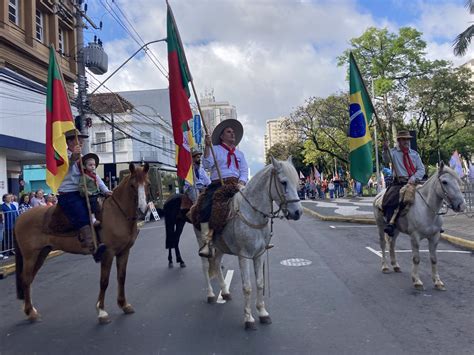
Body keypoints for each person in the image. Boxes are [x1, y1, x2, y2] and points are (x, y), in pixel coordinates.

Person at [199, 119, 248, 257]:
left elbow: (244, 171)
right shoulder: (215, 150)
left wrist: (242, 183)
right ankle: (207, 243)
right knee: (205, 207)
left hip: (236, 184)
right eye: (229, 132)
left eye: (233, 132)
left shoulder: (240, 154)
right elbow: (207, 165)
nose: (232, 134)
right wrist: (207, 147)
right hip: (218, 184)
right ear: (221, 136)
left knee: (255, 204)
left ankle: (260, 237)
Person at [57, 129, 106, 262]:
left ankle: (105, 238)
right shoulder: (61, 156)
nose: (81, 143)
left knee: (101, 209)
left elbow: (93, 175)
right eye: (79, 140)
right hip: (68, 193)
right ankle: (93, 247)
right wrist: (73, 156)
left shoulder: (83, 157)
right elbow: (67, 166)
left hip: (83, 192)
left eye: (82, 140)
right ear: (70, 141)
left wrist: (106, 190)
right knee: (82, 215)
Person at [382, 130, 425, 237]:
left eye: (408, 139)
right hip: (399, 183)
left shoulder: (415, 154)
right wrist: (385, 149)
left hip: (414, 182)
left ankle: (434, 222)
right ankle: (390, 223)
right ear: (399, 141)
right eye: (404, 139)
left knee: (429, 195)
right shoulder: (393, 152)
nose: (407, 141)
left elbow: (421, 169)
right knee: (391, 199)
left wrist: (414, 178)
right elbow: (386, 159)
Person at [78, 153, 112, 226]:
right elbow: (81, 187)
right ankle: (92, 218)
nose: (93, 167)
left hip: (97, 193)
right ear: (84, 166)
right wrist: (87, 192)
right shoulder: (84, 176)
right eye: (90, 165)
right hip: (90, 195)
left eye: (94, 165)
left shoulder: (95, 175)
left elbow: (101, 184)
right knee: (92, 203)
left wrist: (107, 191)